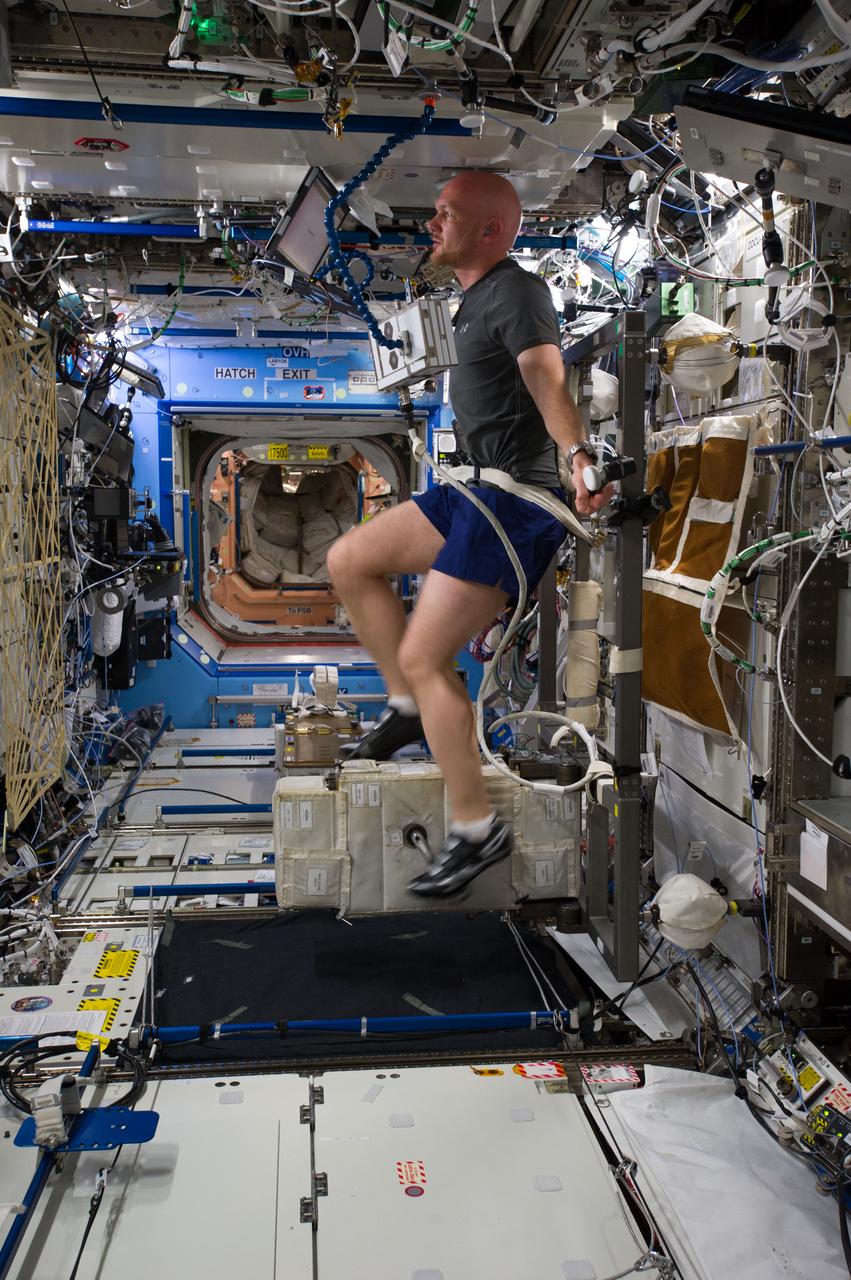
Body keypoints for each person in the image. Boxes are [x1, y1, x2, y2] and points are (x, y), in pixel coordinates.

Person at [327, 170, 610, 897]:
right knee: (350, 559)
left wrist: (579, 456)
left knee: (426, 656)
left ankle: (474, 829)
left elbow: (547, 379)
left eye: (446, 214)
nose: (432, 225)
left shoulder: (517, 292)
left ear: (489, 229)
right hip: (471, 488)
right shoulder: (472, 299)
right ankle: (404, 706)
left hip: (514, 505)